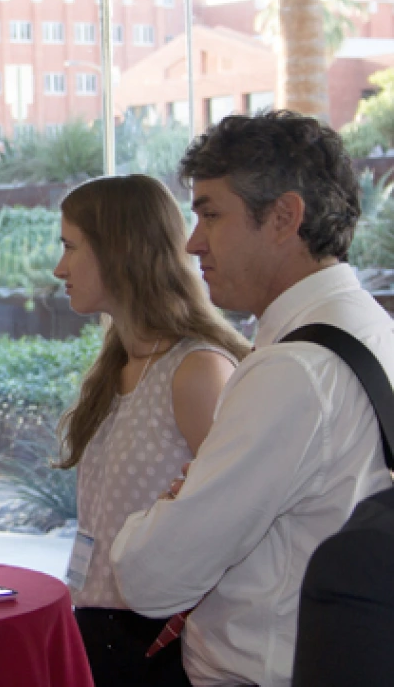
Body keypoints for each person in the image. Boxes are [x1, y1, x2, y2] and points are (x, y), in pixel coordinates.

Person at [110, 111, 394, 687]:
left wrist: (168, 509)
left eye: (211, 213)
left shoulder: (290, 371)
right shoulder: (373, 328)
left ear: (285, 217)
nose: (192, 243)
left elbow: (150, 577)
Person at [52, 174, 249, 686]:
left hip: (161, 642)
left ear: (119, 251)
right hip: (99, 626)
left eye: (70, 247)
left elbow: (236, 523)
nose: (59, 268)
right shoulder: (117, 366)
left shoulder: (197, 370)